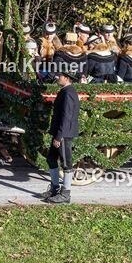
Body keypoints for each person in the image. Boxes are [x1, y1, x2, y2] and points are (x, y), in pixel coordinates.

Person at [41, 63, 80, 204]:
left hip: (64, 134)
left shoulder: (69, 93)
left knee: (66, 163)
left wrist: (59, 136)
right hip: (59, 132)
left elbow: (67, 117)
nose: (58, 77)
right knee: (51, 159)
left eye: (60, 76)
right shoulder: (65, 91)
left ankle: (66, 194)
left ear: (67, 78)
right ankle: (55, 188)